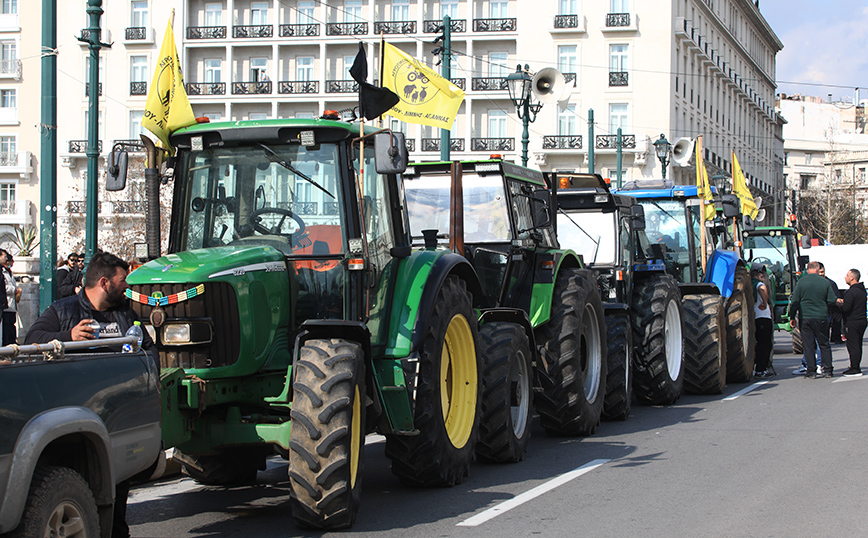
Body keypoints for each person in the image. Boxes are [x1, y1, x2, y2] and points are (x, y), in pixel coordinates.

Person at [24, 251, 156, 538]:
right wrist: (67, 336)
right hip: (74, 419)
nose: (127, 287)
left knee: (117, 492)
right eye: (123, 281)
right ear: (105, 283)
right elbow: (31, 340)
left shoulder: (126, 314)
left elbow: (148, 350)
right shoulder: (62, 310)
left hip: (117, 417)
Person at [789, 261, 839, 378]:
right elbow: (832, 300)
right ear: (817, 269)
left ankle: (811, 371)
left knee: (808, 345)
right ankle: (828, 370)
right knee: (824, 344)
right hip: (821, 317)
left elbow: (794, 301)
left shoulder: (801, 282)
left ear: (808, 269)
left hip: (805, 317)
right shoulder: (825, 282)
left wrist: (792, 317)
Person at [838, 268, 867, 377]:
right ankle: (855, 366)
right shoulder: (861, 290)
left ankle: (855, 368)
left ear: (852, 277)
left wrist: (839, 303)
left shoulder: (851, 292)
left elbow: (846, 308)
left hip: (853, 321)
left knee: (853, 345)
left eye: (847, 275)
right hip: (862, 320)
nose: (845, 277)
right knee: (857, 344)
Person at [752, 264, 774, 378]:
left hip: (754, 318)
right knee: (765, 344)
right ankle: (761, 369)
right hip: (763, 317)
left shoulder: (749, 285)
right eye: (762, 276)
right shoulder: (758, 284)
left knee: (756, 344)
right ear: (758, 276)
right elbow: (762, 288)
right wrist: (765, 303)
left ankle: (756, 367)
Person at [818, 262, 844, 343]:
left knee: (837, 315)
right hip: (819, 308)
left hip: (830, 306)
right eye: (819, 272)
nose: (821, 274)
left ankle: (835, 336)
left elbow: (836, 297)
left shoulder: (831, 283)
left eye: (822, 272)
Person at [0, 250, 20, 346]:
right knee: (6, 324)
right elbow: (4, 287)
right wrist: (13, 290)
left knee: (11, 323)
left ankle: (12, 341)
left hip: (11, 303)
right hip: (5, 303)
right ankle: (6, 342)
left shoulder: (9, 272)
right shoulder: (2, 272)